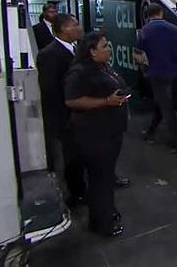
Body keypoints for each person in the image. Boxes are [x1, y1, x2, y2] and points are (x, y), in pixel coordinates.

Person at [64, 32, 129, 237]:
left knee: (105, 177)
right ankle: (101, 224)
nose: (109, 49)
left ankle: (106, 211)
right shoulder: (80, 72)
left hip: (111, 131)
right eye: (104, 46)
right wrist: (105, 102)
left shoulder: (103, 67)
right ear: (92, 51)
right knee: (100, 179)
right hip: (95, 134)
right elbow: (72, 101)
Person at [36, 13, 86, 205]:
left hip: (82, 116)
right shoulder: (49, 54)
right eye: (75, 24)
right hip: (67, 118)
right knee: (71, 158)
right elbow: (51, 91)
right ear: (65, 29)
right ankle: (76, 194)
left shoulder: (76, 49)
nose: (79, 27)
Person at [134, 4, 177, 155]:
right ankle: (151, 131)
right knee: (163, 104)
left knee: (167, 110)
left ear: (148, 15)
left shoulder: (144, 32)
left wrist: (143, 67)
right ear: (161, 13)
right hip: (176, 73)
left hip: (158, 75)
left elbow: (137, 55)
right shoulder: (175, 29)